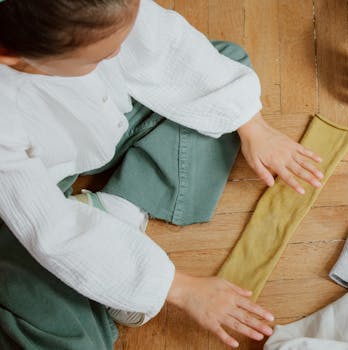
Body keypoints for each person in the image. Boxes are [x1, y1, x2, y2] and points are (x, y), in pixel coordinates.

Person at [0, 0, 324, 348]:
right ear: (11, 56)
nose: (115, 55)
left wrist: (252, 125)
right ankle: (100, 270)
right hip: (20, 199)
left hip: (107, 124)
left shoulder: (91, 12)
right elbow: (53, 230)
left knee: (226, 64)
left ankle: (115, 212)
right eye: (96, 58)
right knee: (60, 328)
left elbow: (165, 44)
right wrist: (179, 288)